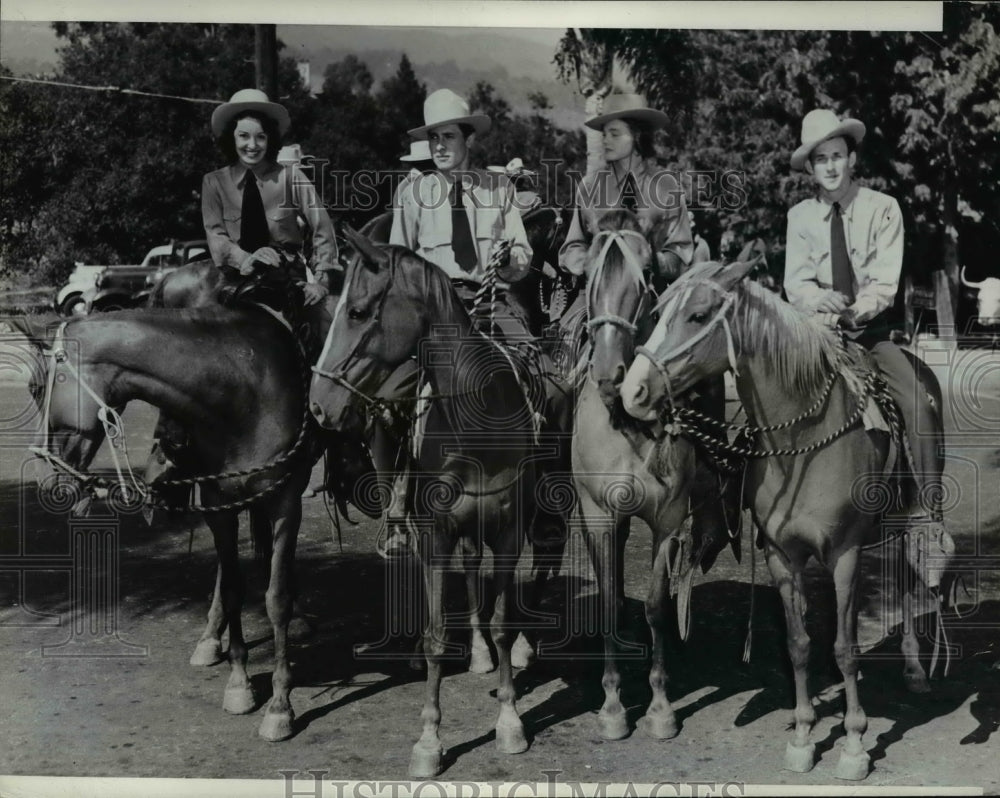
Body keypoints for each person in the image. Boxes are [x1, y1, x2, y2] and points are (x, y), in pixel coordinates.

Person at [783, 108, 953, 572]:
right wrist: (820, 302)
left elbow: (883, 283)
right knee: (768, 397)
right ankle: (764, 511)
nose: (831, 167)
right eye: (821, 159)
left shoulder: (883, 208)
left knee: (917, 403)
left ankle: (928, 518)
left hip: (871, 335)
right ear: (811, 168)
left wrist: (853, 309)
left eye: (838, 155)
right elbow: (795, 284)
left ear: (852, 158)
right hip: (817, 335)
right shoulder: (800, 216)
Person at [202, 88, 339, 354]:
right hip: (234, 283)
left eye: (260, 137)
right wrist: (246, 259)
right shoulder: (214, 182)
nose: (252, 145)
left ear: (270, 140)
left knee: (324, 342)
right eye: (243, 136)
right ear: (232, 138)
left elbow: (322, 229)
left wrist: (320, 281)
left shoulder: (291, 177)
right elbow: (215, 236)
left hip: (287, 282)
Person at [558, 93, 693, 292]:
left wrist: (649, 258)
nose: (605, 141)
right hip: (596, 296)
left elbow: (680, 253)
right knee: (565, 323)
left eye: (615, 134)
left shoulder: (667, 187)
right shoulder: (589, 186)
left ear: (637, 137)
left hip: (653, 297)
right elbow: (573, 246)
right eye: (604, 134)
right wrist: (591, 261)